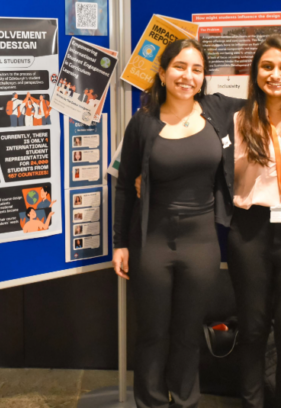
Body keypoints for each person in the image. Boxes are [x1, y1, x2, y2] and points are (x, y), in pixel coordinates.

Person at [113, 38, 244, 408]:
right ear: (163, 72)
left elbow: (267, 102)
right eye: (180, 67)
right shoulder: (143, 122)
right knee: (152, 334)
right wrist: (120, 243)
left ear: (204, 77)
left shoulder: (218, 111)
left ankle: (186, 401)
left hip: (201, 242)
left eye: (197, 69)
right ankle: (151, 403)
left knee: (188, 333)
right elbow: (124, 186)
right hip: (150, 241)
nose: (188, 76)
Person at [228, 35, 281, 408]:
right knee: (253, 327)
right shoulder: (237, 120)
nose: (275, 74)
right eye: (268, 66)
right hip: (252, 231)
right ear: (256, 72)